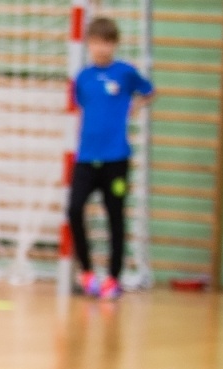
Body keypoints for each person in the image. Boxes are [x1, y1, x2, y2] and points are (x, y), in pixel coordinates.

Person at [68, 17, 153, 302]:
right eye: (96, 42)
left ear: (114, 44)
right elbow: (82, 106)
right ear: (89, 44)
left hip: (116, 159)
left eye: (107, 42)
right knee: (74, 209)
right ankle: (88, 272)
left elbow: (150, 91)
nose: (101, 48)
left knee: (114, 216)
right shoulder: (83, 78)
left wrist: (134, 109)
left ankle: (113, 278)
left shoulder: (125, 73)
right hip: (86, 158)